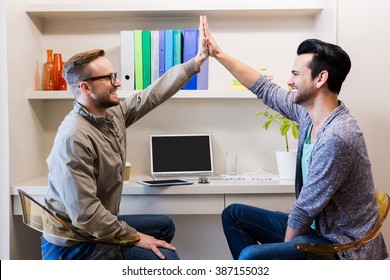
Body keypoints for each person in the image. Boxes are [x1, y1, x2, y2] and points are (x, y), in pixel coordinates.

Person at [203, 16, 388, 260]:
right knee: (233, 214)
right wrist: (217, 54)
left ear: (320, 78)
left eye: (295, 74)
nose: (289, 81)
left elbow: (304, 209)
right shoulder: (308, 114)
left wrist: (285, 258)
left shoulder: (338, 136)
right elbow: (264, 89)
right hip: (316, 228)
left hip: (338, 245)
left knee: (250, 256)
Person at [42, 17, 209, 260]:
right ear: (86, 88)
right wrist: (136, 237)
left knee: (164, 226)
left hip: (93, 227)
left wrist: (197, 61)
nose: (117, 82)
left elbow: (152, 95)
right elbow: (87, 215)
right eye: (109, 78)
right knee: (166, 259)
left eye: (115, 75)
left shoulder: (112, 112)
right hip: (76, 242)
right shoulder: (73, 137)